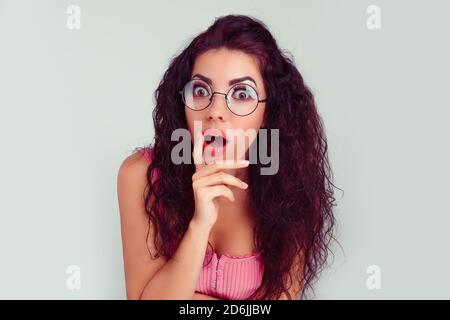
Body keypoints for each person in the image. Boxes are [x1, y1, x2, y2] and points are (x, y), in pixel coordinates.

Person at [117, 14, 337, 300]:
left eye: (242, 94)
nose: (215, 110)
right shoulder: (140, 176)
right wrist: (200, 225)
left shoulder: (294, 188)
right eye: (200, 90)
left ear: (269, 112)